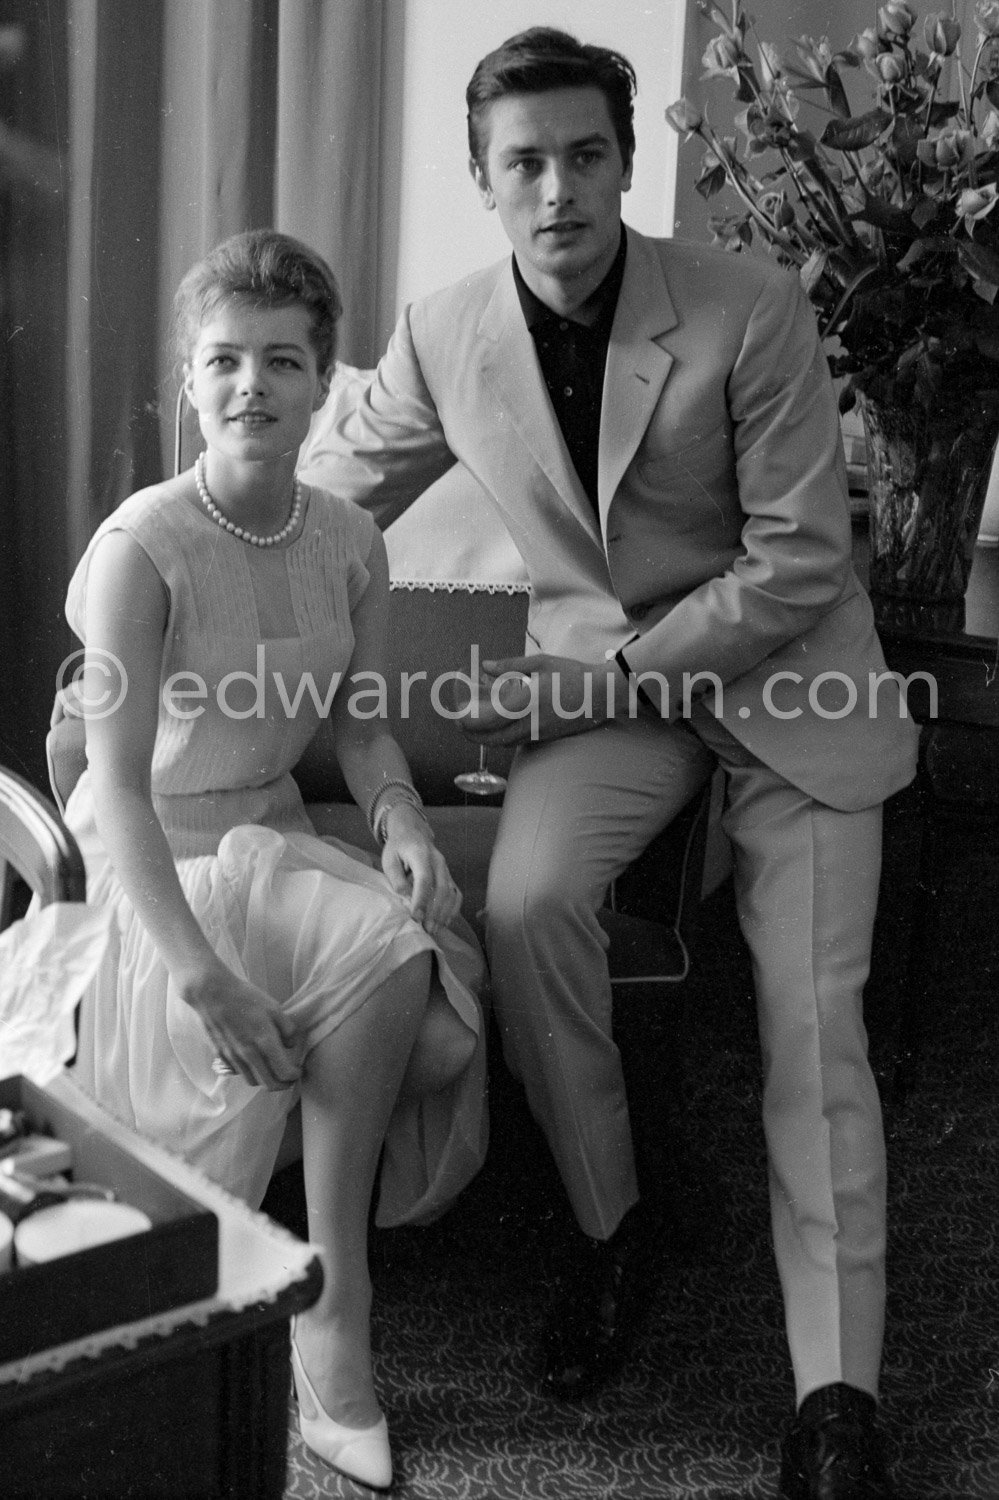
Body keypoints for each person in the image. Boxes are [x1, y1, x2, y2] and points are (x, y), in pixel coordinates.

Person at [299, 27, 920, 1500]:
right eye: (522, 162)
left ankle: (835, 1397)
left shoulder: (750, 303)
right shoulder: (443, 329)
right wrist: (170, 551)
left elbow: (791, 567)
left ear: (623, 166)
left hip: (782, 683)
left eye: (584, 155)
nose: (556, 189)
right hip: (615, 703)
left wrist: (596, 679)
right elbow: (323, 489)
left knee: (806, 1025)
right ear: (480, 179)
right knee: (519, 912)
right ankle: (610, 1229)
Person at [61, 229, 488, 1494]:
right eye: (225, 360)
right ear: (188, 384)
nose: (253, 385)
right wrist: (198, 976)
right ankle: (304, 1296)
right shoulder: (142, 546)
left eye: (283, 360)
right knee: (374, 983)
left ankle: (317, 1292)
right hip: (153, 869)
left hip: (273, 838)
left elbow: (355, 725)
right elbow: (116, 787)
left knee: (434, 1016)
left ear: (323, 381)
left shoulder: (350, 539)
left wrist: (403, 820)